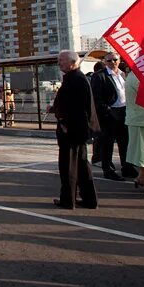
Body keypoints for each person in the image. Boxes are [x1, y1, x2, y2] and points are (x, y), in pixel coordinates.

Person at [51, 51, 98, 210]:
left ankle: (68, 200)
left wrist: (64, 123)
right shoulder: (75, 78)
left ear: (72, 62)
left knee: (69, 167)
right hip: (78, 130)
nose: (59, 63)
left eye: (61, 60)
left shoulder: (76, 79)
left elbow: (78, 108)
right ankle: (89, 199)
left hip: (72, 131)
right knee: (82, 167)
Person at [90, 52, 138, 181]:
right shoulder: (99, 76)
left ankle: (127, 167)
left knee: (125, 142)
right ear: (105, 62)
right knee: (108, 143)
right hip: (110, 113)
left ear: (119, 60)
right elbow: (96, 98)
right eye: (109, 60)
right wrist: (107, 109)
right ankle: (108, 169)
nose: (113, 62)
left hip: (124, 111)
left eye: (115, 60)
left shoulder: (123, 74)